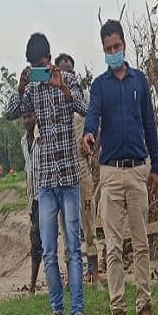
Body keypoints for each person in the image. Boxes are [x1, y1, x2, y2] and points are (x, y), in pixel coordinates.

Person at [83, 20, 158, 315]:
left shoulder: (139, 82)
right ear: (103, 50)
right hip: (112, 173)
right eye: (107, 49)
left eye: (117, 47)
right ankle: (118, 311)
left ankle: (145, 304)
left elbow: (150, 126)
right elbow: (92, 116)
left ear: (124, 45)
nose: (113, 53)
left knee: (141, 243)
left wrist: (155, 166)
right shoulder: (100, 86)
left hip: (138, 168)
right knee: (113, 246)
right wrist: (89, 134)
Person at [4, 32, 89, 315]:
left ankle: (77, 310)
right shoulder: (33, 90)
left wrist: (63, 87)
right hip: (46, 183)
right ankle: (57, 310)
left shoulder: (68, 79)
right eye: (33, 66)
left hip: (69, 176)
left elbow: (86, 107)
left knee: (74, 249)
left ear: (50, 59)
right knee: (50, 250)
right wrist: (21, 86)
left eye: (41, 64)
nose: (39, 70)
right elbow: (10, 112)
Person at [56, 52, 100, 288]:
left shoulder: (83, 98)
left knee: (88, 219)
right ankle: (72, 278)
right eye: (63, 70)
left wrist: (91, 149)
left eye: (70, 71)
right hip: (61, 170)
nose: (67, 75)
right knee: (66, 225)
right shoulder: (50, 99)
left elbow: (96, 126)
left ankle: (95, 275)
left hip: (81, 167)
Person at [20, 109, 43, 294]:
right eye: (24, 117)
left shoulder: (41, 138)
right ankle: (33, 286)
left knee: (41, 240)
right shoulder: (22, 142)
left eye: (30, 116)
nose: (27, 120)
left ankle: (34, 287)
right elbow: (29, 173)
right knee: (35, 240)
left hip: (46, 195)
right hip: (33, 200)